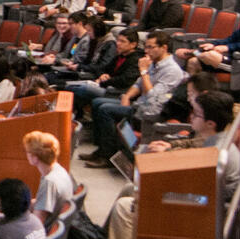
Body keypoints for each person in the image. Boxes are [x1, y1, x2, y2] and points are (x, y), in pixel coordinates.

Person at [107, 91, 240, 239]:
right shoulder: (216, 138)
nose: (190, 117)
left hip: (202, 212)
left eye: (195, 114)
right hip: (205, 200)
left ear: (211, 123)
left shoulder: (217, 152)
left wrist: (154, 191)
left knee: (125, 206)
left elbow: (196, 192)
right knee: (130, 189)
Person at [79, 31, 185, 168]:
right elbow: (138, 84)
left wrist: (144, 71)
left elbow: (152, 97)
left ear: (164, 48)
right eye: (146, 47)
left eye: (151, 47)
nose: (147, 51)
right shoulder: (153, 62)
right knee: (97, 102)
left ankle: (107, 156)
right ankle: (101, 150)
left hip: (152, 113)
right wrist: (127, 96)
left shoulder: (172, 70)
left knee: (105, 109)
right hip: (139, 105)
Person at [0, 131, 73, 239]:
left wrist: (1, 220)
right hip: (48, 235)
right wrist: (5, 205)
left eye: (27, 152)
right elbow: (41, 203)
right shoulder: (58, 171)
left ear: (35, 158)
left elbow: (35, 224)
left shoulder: (49, 182)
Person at [174, 0, 240, 74]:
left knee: (210, 55)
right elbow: (232, 38)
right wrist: (214, 44)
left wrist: (228, 48)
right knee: (193, 62)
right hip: (233, 56)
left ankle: (195, 52)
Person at [66, 29, 145, 119]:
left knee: (76, 89)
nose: (118, 43)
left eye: (122, 41)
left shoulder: (137, 60)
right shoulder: (120, 55)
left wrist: (104, 81)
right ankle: (78, 116)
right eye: (118, 40)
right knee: (70, 86)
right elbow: (102, 68)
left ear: (133, 44)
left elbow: (124, 80)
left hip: (116, 91)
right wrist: (103, 75)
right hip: (106, 85)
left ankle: (75, 117)